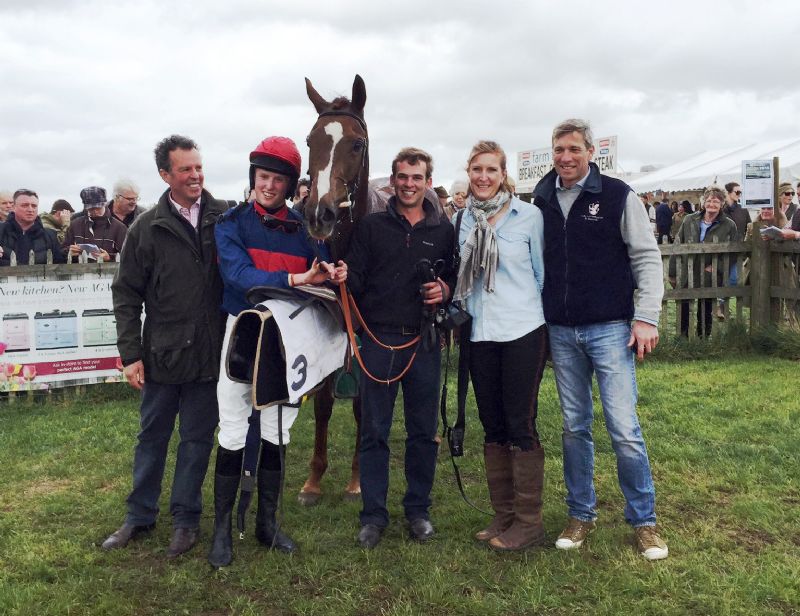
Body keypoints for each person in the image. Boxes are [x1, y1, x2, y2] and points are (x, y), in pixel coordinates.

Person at [533, 119, 668, 561]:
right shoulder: (542, 195)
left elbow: (646, 256)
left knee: (624, 428)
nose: (565, 157)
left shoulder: (616, 195)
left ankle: (644, 521)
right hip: (561, 329)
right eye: (558, 149)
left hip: (610, 326)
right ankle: (580, 513)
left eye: (574, 149)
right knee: (574, 426)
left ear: (591, 151)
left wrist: (646, 316)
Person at [207, 136, 345, 568]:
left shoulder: (307, 229)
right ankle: (222, 531)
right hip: (244, 333)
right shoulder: (230, 223)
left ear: (290, 185)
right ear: (253, 178)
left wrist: (331, 272)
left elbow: (319, 270)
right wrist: (295, 280)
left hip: (288, 338)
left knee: (278, 429)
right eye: (263, 177)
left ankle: (267, 524)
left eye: (277, 180)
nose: (268, 186)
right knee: (232, 430)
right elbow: (238, 275)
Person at [104, 135, 228, 558]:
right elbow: (126, 295)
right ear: (165, 175)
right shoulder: (146, 228)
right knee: (152, 437)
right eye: (185, 170)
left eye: (198, 167)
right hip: (161, 354)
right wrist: (131, 355)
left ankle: (186, 520)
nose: (196, 175)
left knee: (196, 439)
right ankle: (139, 516)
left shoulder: (223, 217)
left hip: (209, 355)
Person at [346, 147, 455, 549]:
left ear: (427, 182)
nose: (410, 184)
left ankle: (417, 510)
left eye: (417, 178)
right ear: (392, 181)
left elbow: (456, 278)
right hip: (379, 340)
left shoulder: (443, 230)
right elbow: (355, 278)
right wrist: (343, 274)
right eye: (403, 177)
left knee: (423, 432)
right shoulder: (371, 227)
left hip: (423, 340)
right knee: (374, 430)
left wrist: (444, 288)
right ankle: (373, 515)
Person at [453, 140, 548, 551]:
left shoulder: (529, 217)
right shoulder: (461, 220)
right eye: (477, 170)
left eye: (492, 170)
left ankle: (529, 521)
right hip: (480, 333)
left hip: (522, 329)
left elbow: (542, 275)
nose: (484, 177)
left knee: (519, 423)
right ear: (469, 173)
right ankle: (504, 514)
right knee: (491, 423)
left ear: (503, 173)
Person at [669, 185, 738, 338]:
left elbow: (734, 252)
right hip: (688, 269)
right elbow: (677, 246)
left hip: (709, 272)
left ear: (722, 204)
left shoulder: (729, 225)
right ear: (703, 202)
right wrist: (672, 273)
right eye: (709, 200)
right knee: (683, 304)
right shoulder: (689, 220)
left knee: (706, 305)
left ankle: (703, 339)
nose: (711, 204)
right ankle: (682, 337)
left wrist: (717, 267)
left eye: (716, 201)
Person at [0, 189, 66, 265]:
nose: (30, 209)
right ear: (14, 207)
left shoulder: (50, 236)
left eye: (34, 206)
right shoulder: (2, 231)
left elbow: (60, 267)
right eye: (25, 205)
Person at [64, 187, 127, 262]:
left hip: (109, 272)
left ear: (104, 204)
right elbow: (60, 253)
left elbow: (128, 255)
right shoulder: (75, 225)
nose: (95, 211)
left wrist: (110, 257)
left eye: (98, 208)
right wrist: (69, 251)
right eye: (91, 209)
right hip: (78, 272)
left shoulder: (119, 227)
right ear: (86, 208)